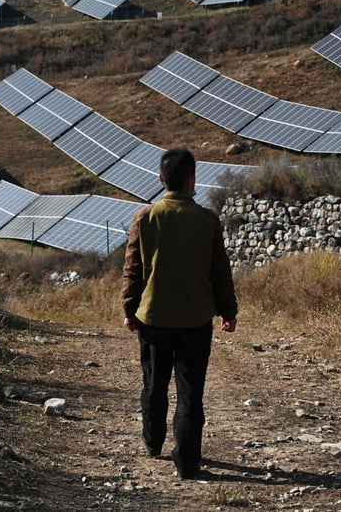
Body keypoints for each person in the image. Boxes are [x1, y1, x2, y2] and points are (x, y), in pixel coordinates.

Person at [121, 147, 238, 480]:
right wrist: (228, 311)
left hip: (154, 319)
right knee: (190, 394)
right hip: (196, 321)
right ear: (192, 180)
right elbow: (220, 272)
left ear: (161, 180)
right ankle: (187, 463)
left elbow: (133, 269)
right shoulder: (207, 220)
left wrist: (129, 309)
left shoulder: (144, 218)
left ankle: (153, 443)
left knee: (154, 386)